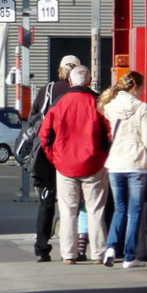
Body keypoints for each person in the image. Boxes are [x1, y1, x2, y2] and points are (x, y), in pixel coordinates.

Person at [39, 64, 111, 265]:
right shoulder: (98, 103)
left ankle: (68, 254)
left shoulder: (59, 104)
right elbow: (110, 133)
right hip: (94, 164)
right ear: (89, 81)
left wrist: (54, 158)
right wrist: (104, 156)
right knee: (96, 210)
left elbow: (45, 135)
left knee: (67, 211)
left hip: (65, 165)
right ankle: (99, 253)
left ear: (70, 81)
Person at [98, 71, 147, 269]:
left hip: (115, 163)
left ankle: (110, 247)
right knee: (134, 210)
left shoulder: (109, 106)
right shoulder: (142, 108)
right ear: (135, 87)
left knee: (120, 209)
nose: (143, 92)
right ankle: (129, 256)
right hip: (136, 163)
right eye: (142, 87)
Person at [28, 55, 81, 263]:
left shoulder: (46, 91)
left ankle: (42, 248)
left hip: (47, 154)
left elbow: (33, 120)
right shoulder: (85, 94)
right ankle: (77, 248)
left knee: (46, 203)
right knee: (76, 204)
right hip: (75, 154)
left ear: (60, 70)